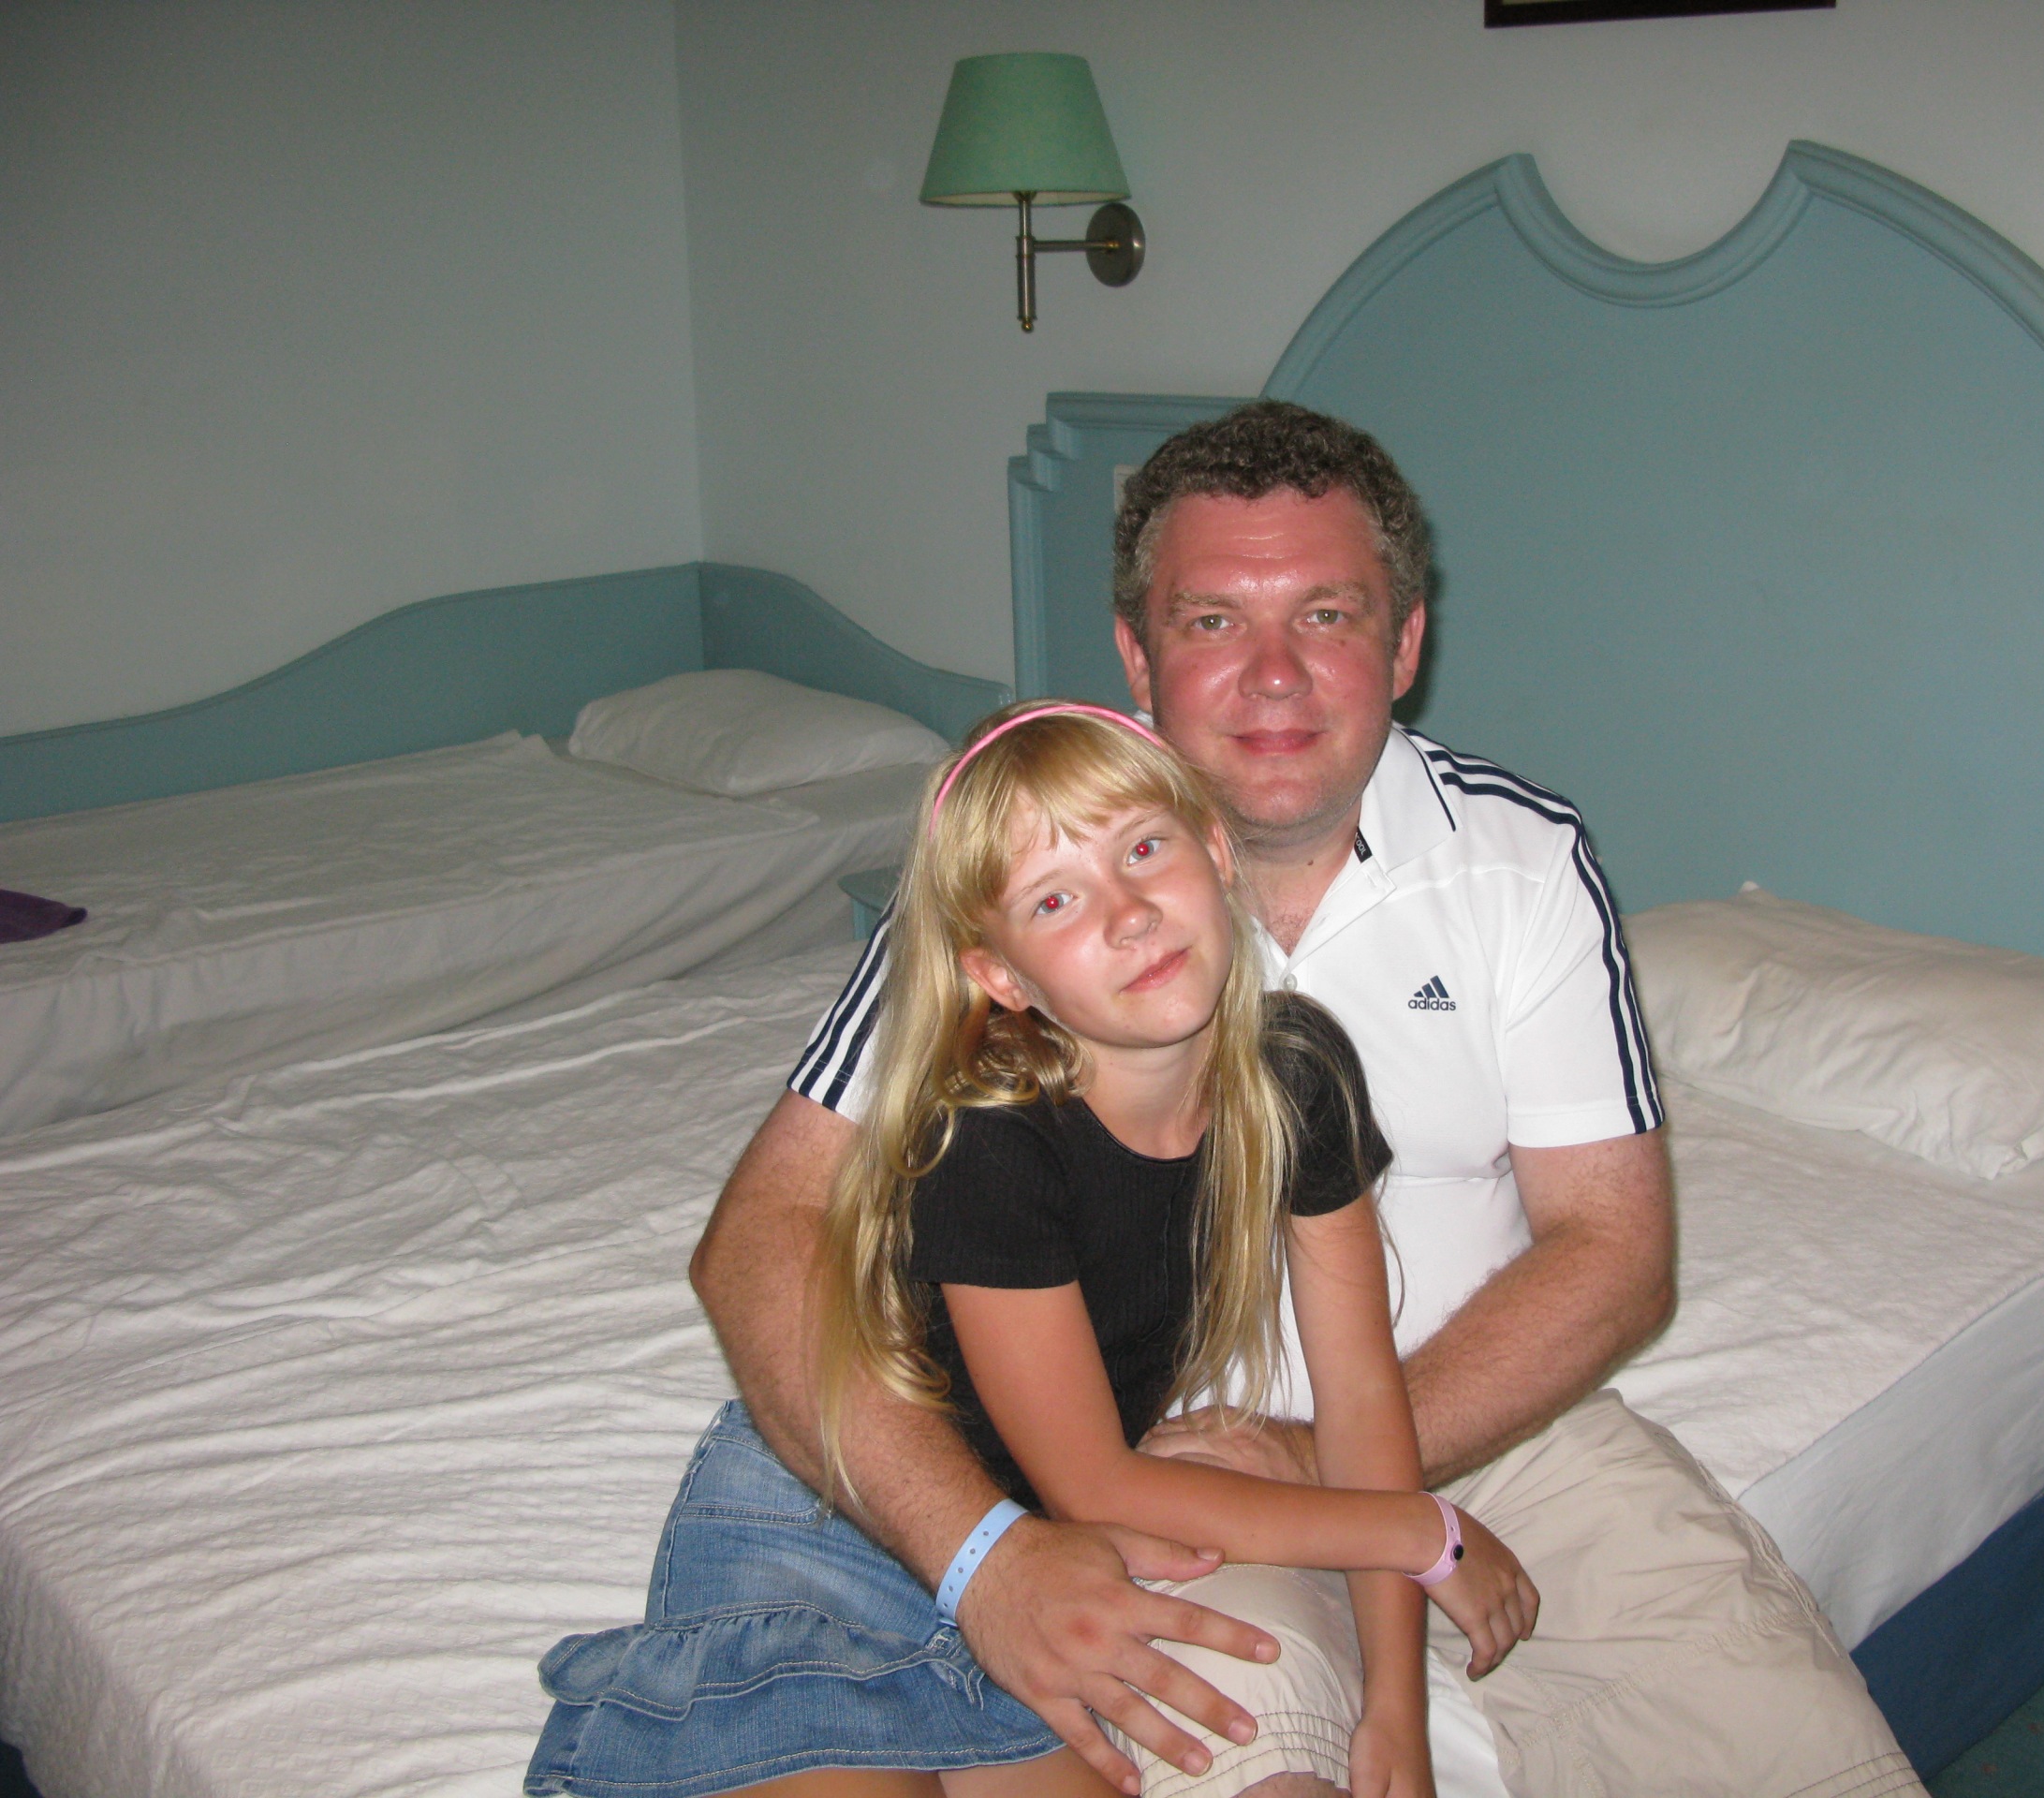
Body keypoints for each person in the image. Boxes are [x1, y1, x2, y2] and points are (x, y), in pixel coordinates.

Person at [690, 403, 1926, 1797]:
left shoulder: (1520, 862)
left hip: (1491, 1427)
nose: (1273, 674)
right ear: (1138, 655)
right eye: (1213, 620)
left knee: (1795, 1749)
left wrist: (1328, 1463)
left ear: (1404, 642)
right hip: (1169, 1466)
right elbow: (763, 1239)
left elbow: (1616, 1252)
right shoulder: (1029, 876)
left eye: (1327, 615)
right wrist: (981, 1551)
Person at [527, 701, 1540, 1798]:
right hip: (838, 1528)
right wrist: (1421, 1532)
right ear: (1000, 977)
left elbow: (1361, 1402)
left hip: (1050, 1562)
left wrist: (1393, 1710)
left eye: (1142, 848)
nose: (1129, 913)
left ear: (1216, 851)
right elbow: (1096, 1478)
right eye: (1054, 899)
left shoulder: (1299, 1077)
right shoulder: (995, 1136)